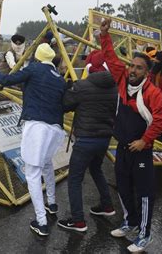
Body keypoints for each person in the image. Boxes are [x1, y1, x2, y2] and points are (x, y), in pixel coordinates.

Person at [99, 18, 162, 252]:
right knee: (123, 186)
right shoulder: (121, 77)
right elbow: (110, 57)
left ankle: (145, 234)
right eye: (132, 66)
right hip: (123, 146)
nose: (133, 70)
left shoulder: (152, 92)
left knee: (145, 192)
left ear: (146, 72)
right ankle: (130, 222)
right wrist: (104, 34)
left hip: (141, 149)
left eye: (139, 68)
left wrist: (145, 141)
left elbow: (161, 119)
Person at [0, 43, 66, 237]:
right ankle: (52, 204)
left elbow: (9, 79)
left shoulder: (34, 68)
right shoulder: (60, 79)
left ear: (37, 57)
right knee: (46, 165)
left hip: (37, 127)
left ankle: (41, 222)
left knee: (33, 174)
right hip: (56, 129)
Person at [57, 62, 118, 232]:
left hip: (85, 139)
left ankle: (78, 221)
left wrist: (68, 89)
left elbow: (66, 105)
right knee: (96, 169)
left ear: (89, 71)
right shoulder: (114, 88)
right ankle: (107, 206)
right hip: (104, 139)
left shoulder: (82, 86)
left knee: (75, 179)